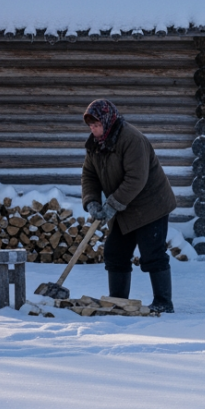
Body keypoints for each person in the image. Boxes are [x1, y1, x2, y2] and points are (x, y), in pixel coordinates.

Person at [81, 99, 178, 313]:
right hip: (123, 206)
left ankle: (163, 302)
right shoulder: (95, 145)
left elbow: (136, 178)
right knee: (115, 252)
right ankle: (118, 301)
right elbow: (89, 175)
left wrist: (113, 204)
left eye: (97, 125)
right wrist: (92, 201)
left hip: (150, 205)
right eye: (91, 126)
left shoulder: (131, 139)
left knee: (152, 253)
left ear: (107, 121)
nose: (93, 129)